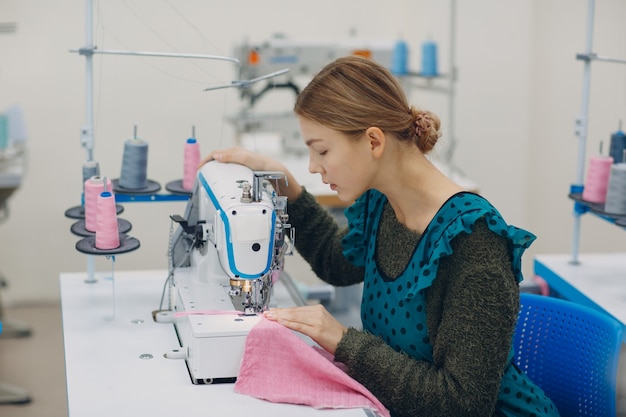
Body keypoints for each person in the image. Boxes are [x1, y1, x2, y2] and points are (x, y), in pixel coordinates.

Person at [200, 56, 559, 417]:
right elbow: (334, 261)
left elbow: (461, 403)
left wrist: (344, 342)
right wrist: (283, 183)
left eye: (321, 150)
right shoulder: (382, 202)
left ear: (373, 141)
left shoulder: (473, 242)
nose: (312, 166)